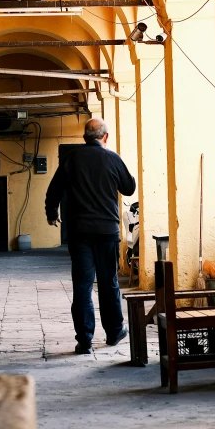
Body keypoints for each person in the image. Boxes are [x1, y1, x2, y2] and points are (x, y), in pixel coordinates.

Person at [45, 118, 136, 354]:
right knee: (109, 284)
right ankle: (115, 332)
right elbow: (128, 188)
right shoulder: (113, 158)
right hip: (107, 232)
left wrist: (51, 212)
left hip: (80, 233)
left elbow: (53, 189)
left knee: (83, 287)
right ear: (105, 137)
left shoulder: (72, 158)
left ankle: (84, 340)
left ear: (85, 137)